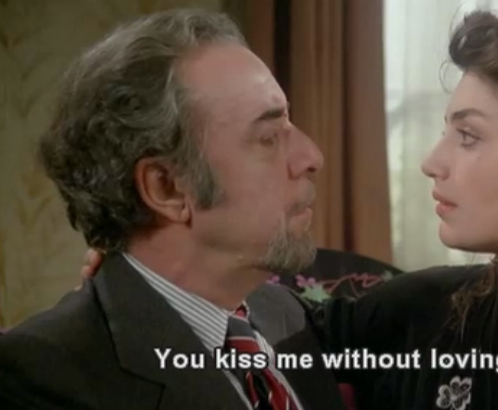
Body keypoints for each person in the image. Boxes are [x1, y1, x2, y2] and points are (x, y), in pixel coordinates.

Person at [80, 1, 498, 410]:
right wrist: (158, 268)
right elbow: (259, 326)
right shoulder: (415, 318)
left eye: (469, 136)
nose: (432, 161)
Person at [0, 9, 348, 410]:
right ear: (166, 187)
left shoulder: (279, 312)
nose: (311, 156)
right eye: (268, 137)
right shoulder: (42, 378)